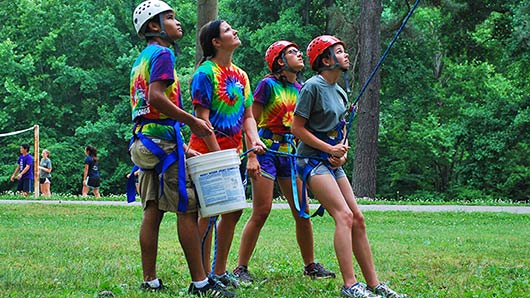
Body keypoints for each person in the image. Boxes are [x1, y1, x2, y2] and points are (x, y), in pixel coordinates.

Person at [129, 1, 233, 296]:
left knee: (152, 210)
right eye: (170, 18)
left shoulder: (142, 59)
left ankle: (150, 280)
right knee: (187, 209)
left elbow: (145, 106)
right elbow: (157, 98)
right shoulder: (163, 53)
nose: (177, 22)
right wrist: (193, 123)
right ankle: (201, 283)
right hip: (162, 141)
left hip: (145, 141)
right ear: (154, 26)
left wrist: (184, 149)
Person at [291, 35, 406, 298]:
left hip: (332, 163)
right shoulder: (312, 87)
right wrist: (329, 149)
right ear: (325, 59)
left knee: (358, 219)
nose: (346, 56)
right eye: (339, 51)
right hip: (311, 161)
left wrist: (340, 153)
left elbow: (339, 132)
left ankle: (374, 285)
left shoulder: (340, 91)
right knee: (343, 216)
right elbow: (296, 128)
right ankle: (349, 285)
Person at [233, 40, 335, 283]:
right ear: (280, 62)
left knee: (302, 211)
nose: (299, 54)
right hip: (266, 151)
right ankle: (241, 268)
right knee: (262, 210)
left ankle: (310, 265)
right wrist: (252, 156)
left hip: (291, 153)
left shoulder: (301, 88)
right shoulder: (267, 86)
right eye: (292, 52)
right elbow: (251, 122)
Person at [188, 19, 265, 289]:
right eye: (228, 30)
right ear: (216, 42)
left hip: (234, 155)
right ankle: (201, 276)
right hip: (207, 153)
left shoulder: (241, 75)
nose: (235, 31)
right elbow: (202, 121)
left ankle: (219, 271)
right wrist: (219, 157)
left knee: (232, 211)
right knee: (208, 214)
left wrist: (253, 142)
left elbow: (248, 117)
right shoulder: (205, 74)